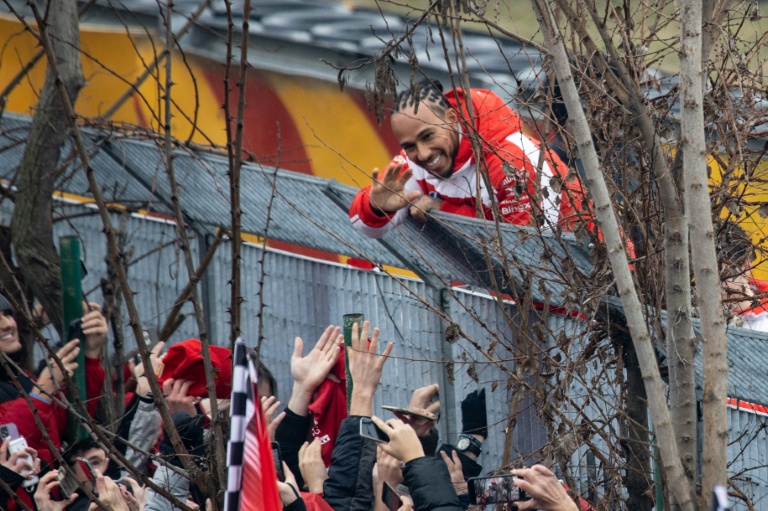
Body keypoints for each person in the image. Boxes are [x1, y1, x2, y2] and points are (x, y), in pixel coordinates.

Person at [349, 79, 589, 239]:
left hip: (597, 298)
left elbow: (529, 253)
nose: (422, 154)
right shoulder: (415, 161)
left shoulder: (512, 159)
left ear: (452, 119)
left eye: (428, 136)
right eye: (409, 146)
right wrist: (375, 207)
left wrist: (444, 213)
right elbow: (363, 227)